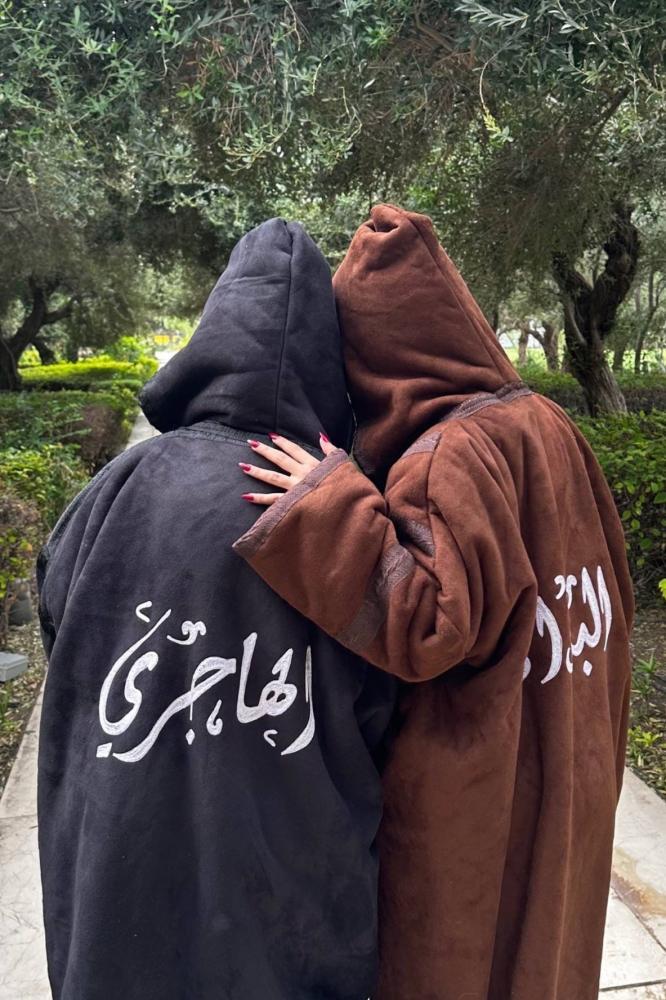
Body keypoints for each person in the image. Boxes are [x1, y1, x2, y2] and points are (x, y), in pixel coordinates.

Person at [234, 203, 634, 1000]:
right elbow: (611, 595)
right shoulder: (551, 424)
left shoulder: (446, 453)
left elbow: (426, 626)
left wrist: (325, 506)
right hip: (572, 763)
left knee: (461, 964)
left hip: (482, 799)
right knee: (551, 955)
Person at [36, 218, 396, 1000]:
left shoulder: (112, 495)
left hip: (116, 910)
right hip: (293, 927)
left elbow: (58, 631)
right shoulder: (342, 517)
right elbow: (383, 706)